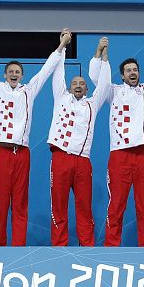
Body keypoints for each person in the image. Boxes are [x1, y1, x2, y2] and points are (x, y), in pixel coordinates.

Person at [0, 29, 67, 246]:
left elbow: (47, 70)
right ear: (4, 74)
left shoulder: (29, 91)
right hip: (1, 153)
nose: (13, 74)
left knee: (20, 204)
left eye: (17, 72)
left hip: (21, 155)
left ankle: (18, 249)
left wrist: (61, 46)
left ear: (22, 75)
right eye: (10, 71)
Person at [93, 28, 144, 247]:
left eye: (135, 69)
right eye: (128, 70)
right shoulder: (112, 91)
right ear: (122, 75)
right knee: (116, 204)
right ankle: (110, 247)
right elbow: (97, 78)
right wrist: (99, 54)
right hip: (119, 155)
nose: (133, 73)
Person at [48, 34, 111, 246]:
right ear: (68, 87)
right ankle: (59, 247)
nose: (77, 85)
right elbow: (58, 72)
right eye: (74, 83)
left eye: (82, 84)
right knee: (59, 205)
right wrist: (63, 46)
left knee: (84, 206)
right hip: (61, 158)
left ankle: (88, 247)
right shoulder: (61, 98)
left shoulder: (93, 104)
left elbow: (104, 84)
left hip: (83, 161)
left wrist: (104, 56)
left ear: (86, 89)